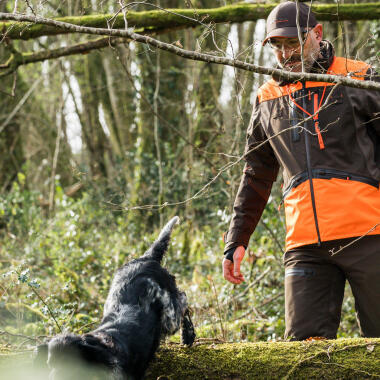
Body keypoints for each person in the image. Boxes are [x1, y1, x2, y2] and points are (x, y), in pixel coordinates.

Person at [222, 1, 380, 340]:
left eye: (293, 41)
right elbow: (257, 172)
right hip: (305, 245)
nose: (285, 53)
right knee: (304, 358)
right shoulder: (267, 97)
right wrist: (237, 238)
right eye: (277, 45)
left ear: (317, 35)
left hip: (370, 233)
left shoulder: (358, 77)